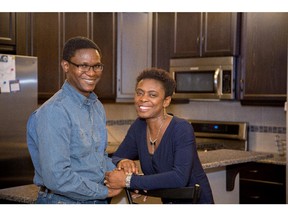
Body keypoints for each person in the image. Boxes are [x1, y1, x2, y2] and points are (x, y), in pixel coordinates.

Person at [26, 36, 122, 204]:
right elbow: (57, 177)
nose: (91, 73)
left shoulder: (96, 106)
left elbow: (98, 157)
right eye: (83, 66)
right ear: (66, 66)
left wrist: (125, 178)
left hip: (93, 200)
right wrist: (103, 191)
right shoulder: (55, 111)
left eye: (96, 66)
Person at [105, 68, 214, 204]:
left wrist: (129, 181)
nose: (143, 99)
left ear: (166, 101)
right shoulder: (139, 127)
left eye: (152, 95)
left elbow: (179, 178)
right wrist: (122, 162)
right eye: (139, 93)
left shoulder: (181, 128)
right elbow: (114, 157)